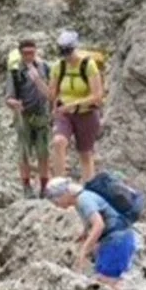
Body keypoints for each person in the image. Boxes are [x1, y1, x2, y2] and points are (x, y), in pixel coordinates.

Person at [44, 176, 138, 288]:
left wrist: (84, 250)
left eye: (56, 199)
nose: (56, 203)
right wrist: (85, 234)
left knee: (107, 283)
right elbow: (92, 220)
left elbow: (99, 225)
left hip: (117, 241)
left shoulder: (84, 200)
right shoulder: (80, 200)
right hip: (114, 240)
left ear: (65, 193)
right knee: (105, 282)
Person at [48, 30, 104, 182]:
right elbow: (52, 93)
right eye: (63, 52)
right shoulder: (58, 67)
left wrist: (73, 104)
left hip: (86, 114)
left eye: (68, 51)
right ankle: (59, 185)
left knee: (85, 154)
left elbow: (97, 96)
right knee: (58, 142)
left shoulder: (88, 65)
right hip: (64, 113)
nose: (66, 56)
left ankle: (87, 189)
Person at [4, 39, 53, 198]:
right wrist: (15, 104)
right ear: (20, 54)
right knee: (24, 152)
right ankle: (26, 186)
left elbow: (51, 92)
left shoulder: (44, 67)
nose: (29, 56)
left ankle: (44, 187)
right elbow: (8, 98)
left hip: (42, 114)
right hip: (23, 116)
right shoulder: (15, 72)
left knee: (43, 152)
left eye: (32, 52)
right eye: (26, 53)